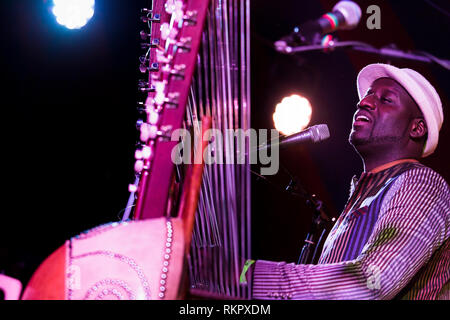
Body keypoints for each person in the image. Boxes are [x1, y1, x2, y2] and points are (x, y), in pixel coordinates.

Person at [244, 63, 449, 300]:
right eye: (369, 94)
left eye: (386, 100)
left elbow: (371, 282)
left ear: (416, 128)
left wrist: (245, 275)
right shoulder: (363, 195)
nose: (365, 102)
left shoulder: (421, 184)